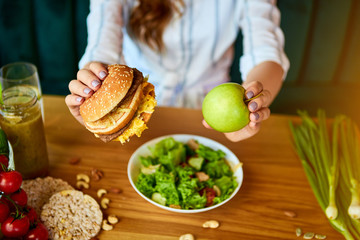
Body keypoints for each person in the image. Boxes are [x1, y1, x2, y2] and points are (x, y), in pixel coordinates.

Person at [65, 0, 289, 142]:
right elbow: (102, 46)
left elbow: (266, 54)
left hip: (213, 116)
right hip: (134, 116)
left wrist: (255, 100)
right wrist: (91, 89)